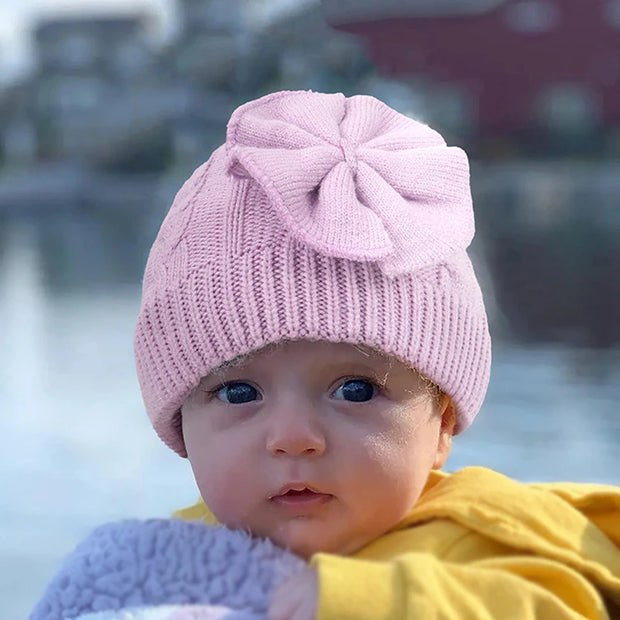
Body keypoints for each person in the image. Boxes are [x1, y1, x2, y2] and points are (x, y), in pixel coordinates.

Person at [132, 90, 620, 619]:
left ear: (441, 427)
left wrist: (372, 604)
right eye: (238, 392)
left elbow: (559, 607)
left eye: (357, 390)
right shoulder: (182, 559)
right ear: (182, 427)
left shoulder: (477, 546)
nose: (294, 437)